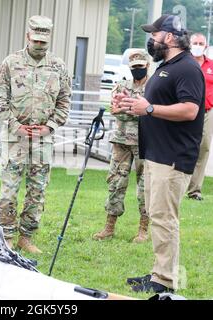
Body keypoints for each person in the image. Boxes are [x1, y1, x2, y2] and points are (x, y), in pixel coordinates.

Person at [116, 15, 205, 293]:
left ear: (168, 37)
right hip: (157, 154)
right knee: (157, 216)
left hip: (173, 157)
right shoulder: (167, 66)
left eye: (155, 34)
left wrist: (150, 109)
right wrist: (132, 105)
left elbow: (190, 110)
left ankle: (165, 283)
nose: (151, 40)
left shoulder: (188, 68)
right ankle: (159, 275)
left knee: (165, 219)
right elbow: (152, 105)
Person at [0, 15, 71, 254]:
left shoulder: (58, 66)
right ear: (28, 37)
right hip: (15, 136)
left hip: (43, 138)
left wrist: (51, 126)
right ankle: (6, 235)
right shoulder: (10, 63)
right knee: (9, 189)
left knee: (38, 189)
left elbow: (65, 101)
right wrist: (15, 125)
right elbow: (0, 98)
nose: (39, 46)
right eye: (35, 41)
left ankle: (26, 236)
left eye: (43, 43)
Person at [93, 50, 150, 243]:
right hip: (121, 142)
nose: (137, 70)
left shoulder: (154, 87)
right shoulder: (121, 85)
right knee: (115, 182)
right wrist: (135, 109)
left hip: (146, 142)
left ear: (147, 66)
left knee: (146, 186)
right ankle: (109, 227)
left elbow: (152, 111)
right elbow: (115, 110)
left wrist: (129, 108)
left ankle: (144, 229)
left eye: (140, 67)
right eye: (134, 67)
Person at [186, 33, 213, 201]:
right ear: (189, 45)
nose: (197, 45)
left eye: (200, 43)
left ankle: (195, 190)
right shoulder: (184, 64)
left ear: (206, 45)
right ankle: (179, 185)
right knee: (185, 147)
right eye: (194, 42)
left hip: (207, 111)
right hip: (187, 111)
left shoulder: (211, 65)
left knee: (203, 148)